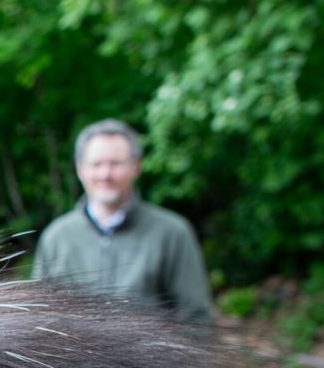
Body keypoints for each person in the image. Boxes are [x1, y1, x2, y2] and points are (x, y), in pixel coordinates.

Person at [33, 118, 214, 328]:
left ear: (135, 167)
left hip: (152, 361)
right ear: (80, 169)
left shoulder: (172, 233)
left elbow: (196, 319)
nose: (105, 174)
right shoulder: (56, 237)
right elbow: (39, 318)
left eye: (115, 164)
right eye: (96, 164)